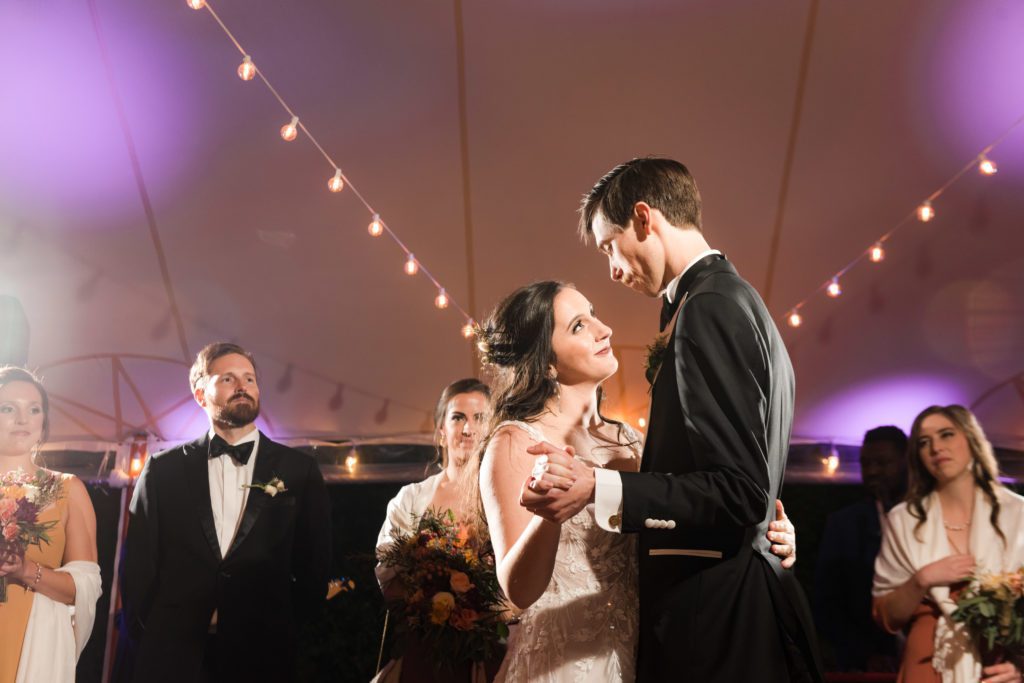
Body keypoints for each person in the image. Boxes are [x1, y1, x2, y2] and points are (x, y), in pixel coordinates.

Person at [522, 157, 821, 682]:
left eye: (609, 246)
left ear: (644, 218)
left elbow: (739, 490)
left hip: (717, 623)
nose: (613, 269)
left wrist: (600, 487)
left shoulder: (709, 307)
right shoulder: (742, 302)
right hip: (734, 603)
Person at [474, 280, 799, 682]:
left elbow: (692, 506)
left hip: (641, 659)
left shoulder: (630, 442)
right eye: (578, 326)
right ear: (546, 363)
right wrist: (549, 514)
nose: (603, 329)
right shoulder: (515, 443)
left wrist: (765, 533)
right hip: (559, 665)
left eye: (593, 314)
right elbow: (517, 592)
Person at [114, 342, 331, 683]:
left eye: (250, 378)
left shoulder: (299, 471)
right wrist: (155, 635)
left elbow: (313, 571)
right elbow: (137, 568)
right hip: (173, 657)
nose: (243, 385)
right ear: (201, 394)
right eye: (228, 378)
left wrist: (278, 627)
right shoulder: (162, 470)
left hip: (262, 656)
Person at [873, 405, 1024, 683]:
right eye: (924, 442)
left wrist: (1021, 667)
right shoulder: (904, 519)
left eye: (946, 434)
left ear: (971, 438)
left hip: (998, 666)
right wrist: (923, 579)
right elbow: (886, 617)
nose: (936, 448)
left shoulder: (1018, 513)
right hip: (927, 665)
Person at [373, 378, 497, 683]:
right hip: (425, 651)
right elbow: (388, 571)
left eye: (479, 418)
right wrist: (434, 608)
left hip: (491, 651)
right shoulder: (411, 499)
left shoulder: (505, 501)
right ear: (441, 431)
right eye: (458, 418)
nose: (468, 429)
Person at [0, 366, 101, 682]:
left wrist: (24, 570)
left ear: (43, 423)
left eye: (33, 409)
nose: (22, 419)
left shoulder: (67, 490)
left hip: (31, 645)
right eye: (8, 408)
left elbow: (84, 587)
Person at [815, 426, 907, 671]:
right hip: (866, 667)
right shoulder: (843, 524)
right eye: (866, 463)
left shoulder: (931, 517)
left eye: (882, 462)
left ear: (906, 461)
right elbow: (827, 603)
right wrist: (864, 655)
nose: (872, 471)